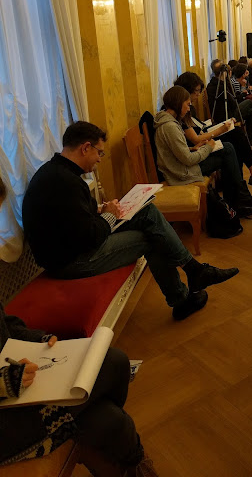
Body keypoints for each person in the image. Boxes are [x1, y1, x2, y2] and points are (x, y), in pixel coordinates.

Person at [0, 175, 157, 475]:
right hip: (6, 416)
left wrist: (38, 339)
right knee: (113, 415)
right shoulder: (62, 183)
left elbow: (5, 323)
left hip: (17, 378)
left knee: (116, 367)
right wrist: (5, 381)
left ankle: (130, 465)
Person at [22, 121, 239, 323]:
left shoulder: (55, 172)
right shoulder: (66, 182)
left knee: (147, 211)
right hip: (71, 262)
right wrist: (110, 215)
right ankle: (183, 296)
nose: (100, 159)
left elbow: (70, 218)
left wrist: (101, 209)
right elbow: (90, 236)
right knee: (152, 238)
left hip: (73, 246)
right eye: (99, 153)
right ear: (85, 148)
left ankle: (193, 273)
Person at [154, 85, 252, 217]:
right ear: (178, 103)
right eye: (187, 105)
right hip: (181, 173)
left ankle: (234, 202)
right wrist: (208, 147)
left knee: (228, 149)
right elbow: (189, 160)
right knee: (228, 151)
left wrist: (192, 148)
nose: (189, 109)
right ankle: (236, 201)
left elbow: (174, 151)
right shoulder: (170, 126)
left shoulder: (168, 122)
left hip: (181, 166)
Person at [174, 72, 252, 193]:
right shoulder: (181, 111)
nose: (198, 94)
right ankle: (249, 181)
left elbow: (198, 129)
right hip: (200, 146)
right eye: (196, 91)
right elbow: (195, 139)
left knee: (237, 135)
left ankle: (244, 186)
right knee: (235, 138)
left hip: (204, 136)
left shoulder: (188, 108)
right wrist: (221, 129)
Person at [206, 60, 252, 144]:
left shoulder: (220, 83)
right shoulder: (219, 86)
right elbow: (233, 102)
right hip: (227, 114)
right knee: (249, 101)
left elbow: (233, 97)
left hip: (230, 109)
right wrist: (242, 95)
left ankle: (251, 139)